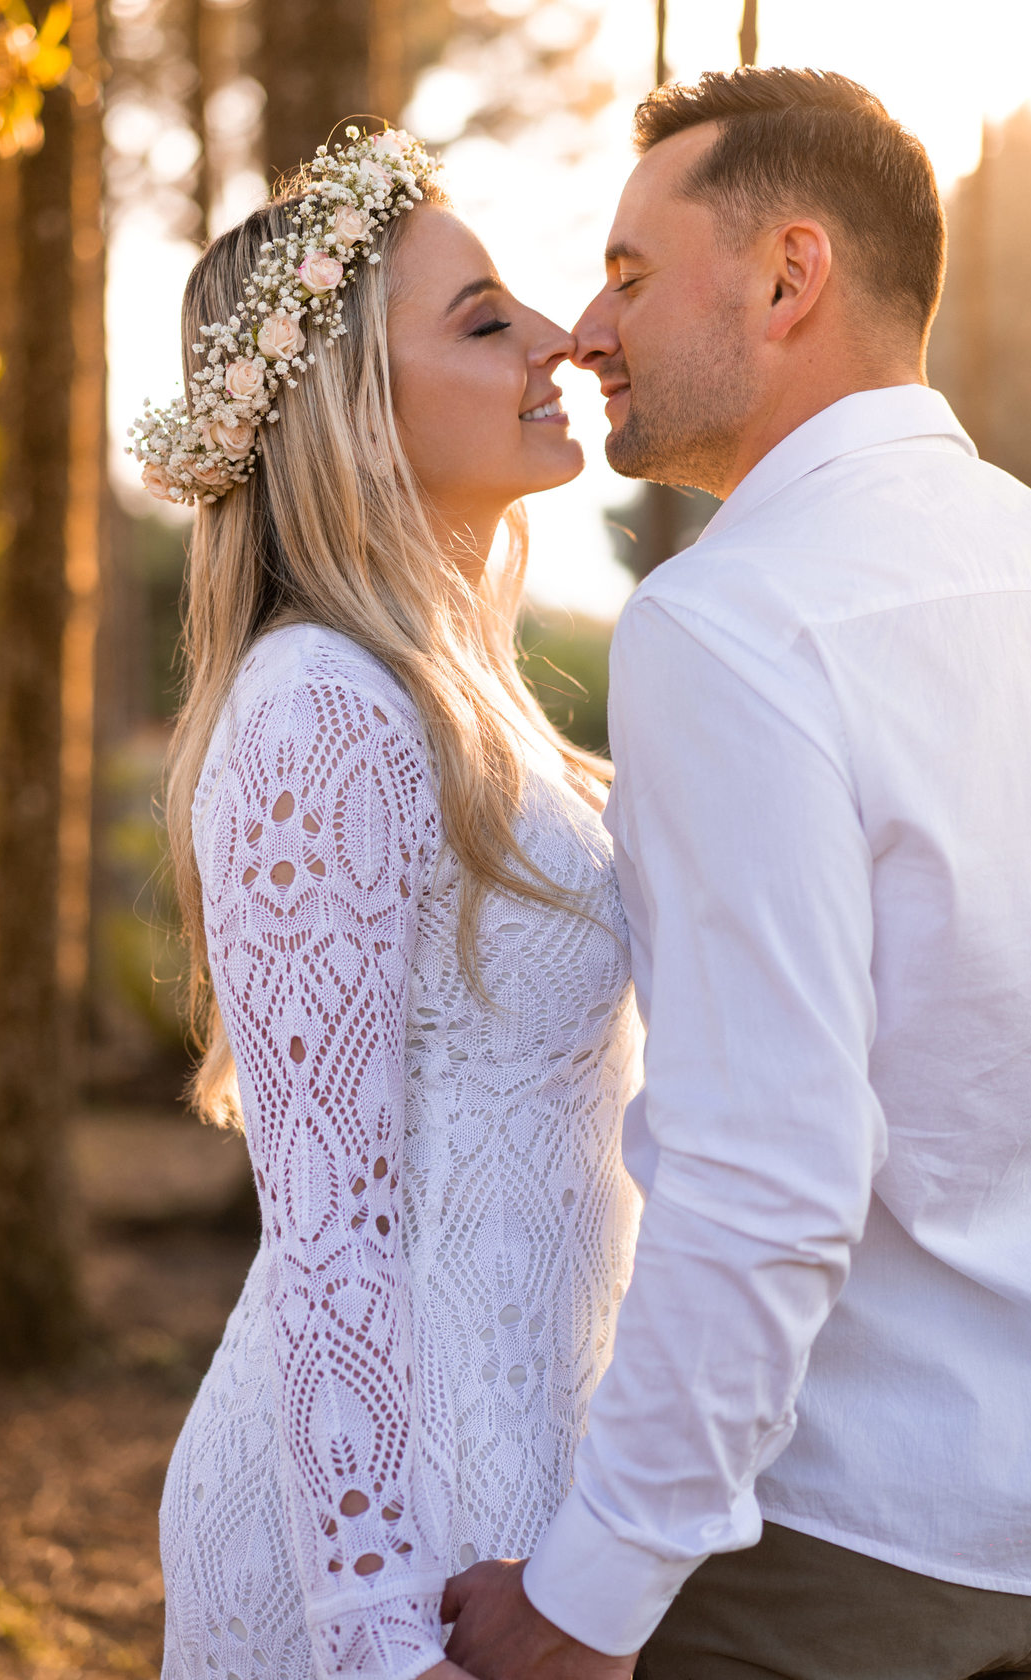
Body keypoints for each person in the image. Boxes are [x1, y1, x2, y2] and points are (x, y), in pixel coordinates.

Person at [444, 69, 1031, 1679]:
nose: (587, 333)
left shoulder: (732, 626)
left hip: (847, 1560)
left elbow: (767, 1175)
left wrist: (586, 1602)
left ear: (789, 276)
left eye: (628, 272)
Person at [137, 129, 642, 1680]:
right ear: (351, 408)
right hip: (389, 1546)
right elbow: (327, 1228)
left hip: (521, 1478)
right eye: (485, 321)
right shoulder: (316, 712)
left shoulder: (459, 705)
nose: (560, 339)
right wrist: (372, 1633)